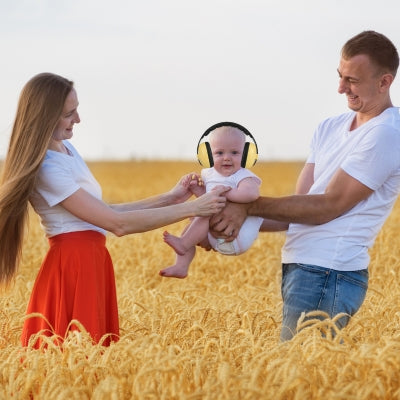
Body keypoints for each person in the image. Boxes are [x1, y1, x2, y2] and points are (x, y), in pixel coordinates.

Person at [0, 72, 229, 348]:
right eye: (69, 113)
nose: (78, 119)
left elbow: (104, 211)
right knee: (74, 359)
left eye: (77, 109)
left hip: (91, 259)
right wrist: (196, 208)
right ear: (45, 116)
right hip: (73, 266)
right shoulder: (48, 169)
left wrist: (172, 198)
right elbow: (118, 224)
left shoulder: (66, 150)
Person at [209, 30, 400, 341]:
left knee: (300, 378)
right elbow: (299, 207)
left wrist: (246, 206)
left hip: (330, 271)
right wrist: (222, 224)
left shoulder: (387, 134)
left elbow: (328, 205)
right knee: (300, 374)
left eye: (352, 80)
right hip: (301, 267)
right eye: (340, 76)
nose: (341, 88)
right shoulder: (329, 127)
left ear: (384, 81)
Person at [160, 125, 263, 278]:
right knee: (191, 225)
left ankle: (183, 243)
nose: (227, 157)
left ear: (246, 154)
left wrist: (227, 193)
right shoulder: (210, 175)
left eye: (234, 153)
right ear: (207, 155)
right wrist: (197, 190)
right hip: (213, 235)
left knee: (204, 213)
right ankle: (181, 266)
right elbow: (208, 197)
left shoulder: (243, 176)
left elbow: (251, 194)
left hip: (237, 235)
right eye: (219, 153)